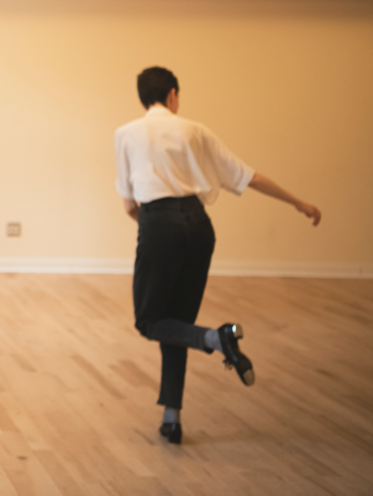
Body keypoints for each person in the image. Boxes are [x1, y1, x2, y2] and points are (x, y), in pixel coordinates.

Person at [114, 66, 321, 445]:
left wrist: (156, 230)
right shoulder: (195, 130)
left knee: (149, 321)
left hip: (158, 223)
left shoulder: (125, 134)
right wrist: (298, 202)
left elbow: (129, 206)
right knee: (177, 323)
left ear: (143, 98)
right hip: (199, 226)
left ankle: (216, 339)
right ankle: (172, 418)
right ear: (173, 95)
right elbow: (249, 176)